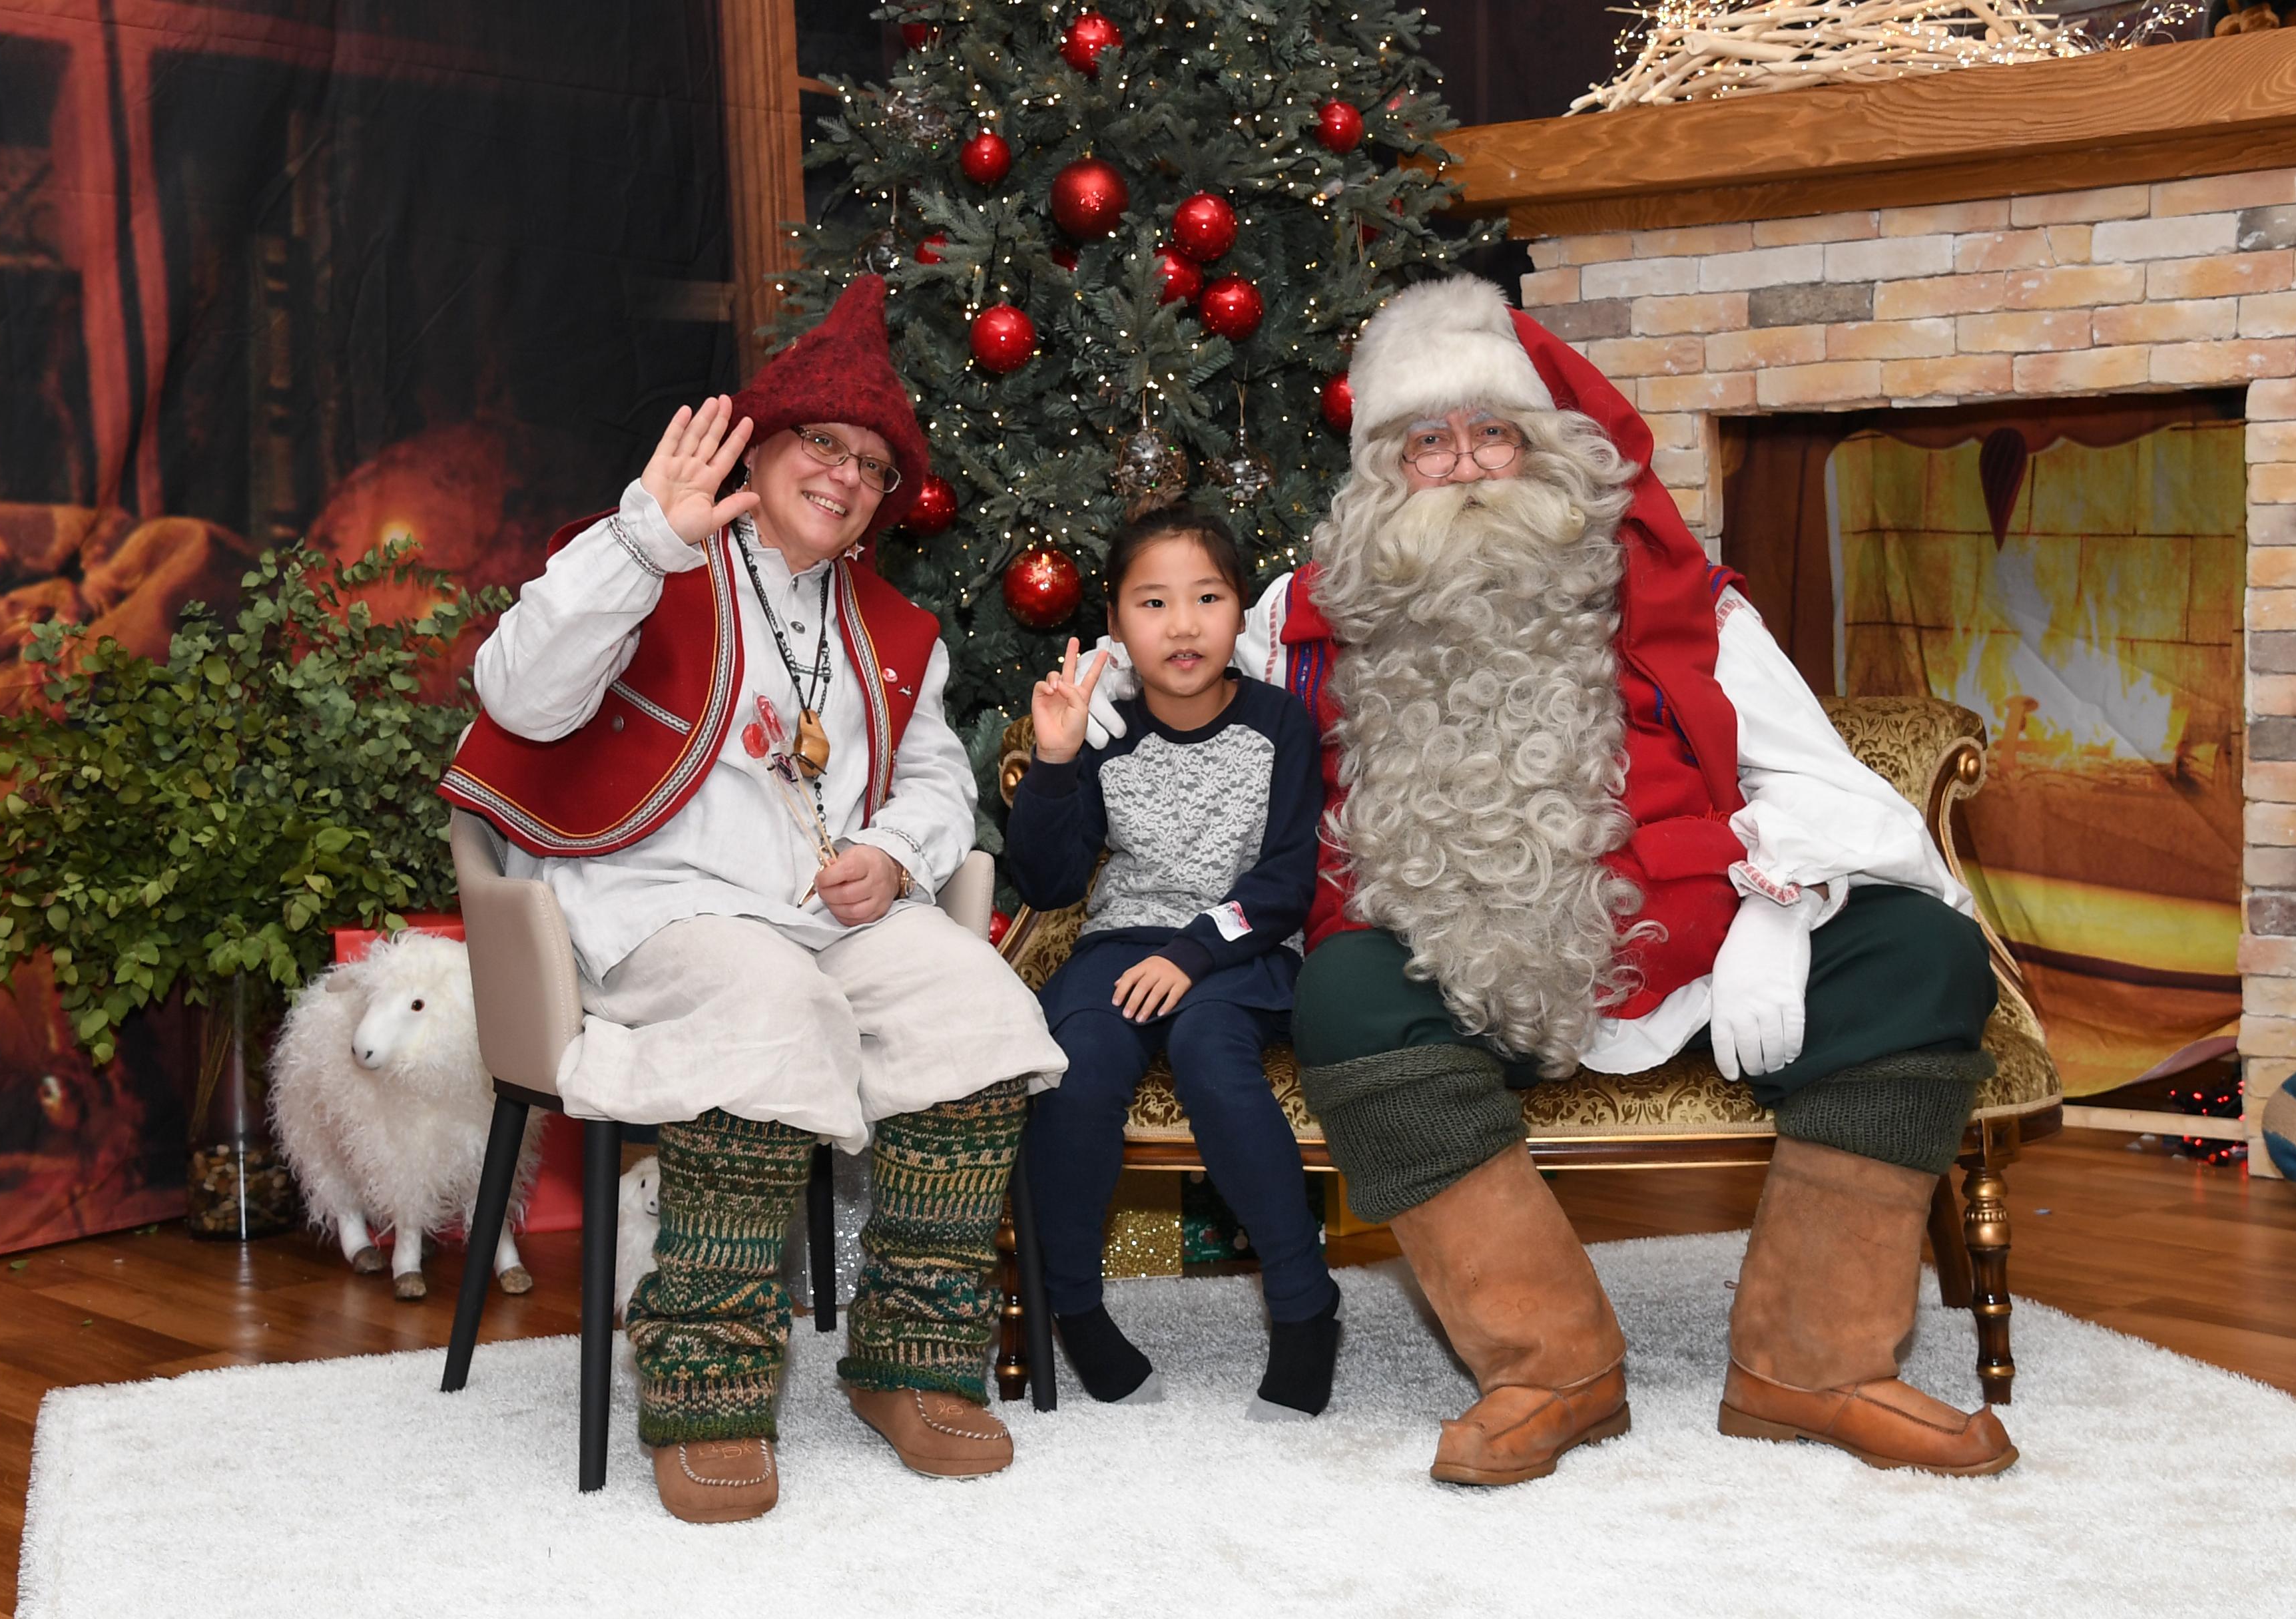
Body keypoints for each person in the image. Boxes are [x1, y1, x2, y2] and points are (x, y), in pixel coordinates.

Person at [1089, 274, 2014, 1485]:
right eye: (1429, 442)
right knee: (1349, 992)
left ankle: (1813, 1364)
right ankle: (1549, 1366)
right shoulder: (1300, 619)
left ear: (1549, 450)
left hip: (1689, 956)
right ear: (1383, 469)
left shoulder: (1682, 605)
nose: (1467, 466)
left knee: (1923, 953)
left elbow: (1819, 777)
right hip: (1449, 971)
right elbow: (1177, 684)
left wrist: (1784, 916)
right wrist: (1095, 713)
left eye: (1495, 433)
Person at [441, 276, 1068, 1523]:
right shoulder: (645, 552)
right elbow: (517, 695)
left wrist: (893, 851)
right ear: (760, 444)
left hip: (828, 916)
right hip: (647, 909)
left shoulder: (896, 631)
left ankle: (910, 1359)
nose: (842, 475)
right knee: (768, 1004)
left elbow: (940, 779)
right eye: (821, 443)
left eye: (872, 466)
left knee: (977, 1008)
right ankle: (709, 1384)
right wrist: (645, 540)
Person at [1004, 508, 1338, 1418]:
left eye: (1206, 598)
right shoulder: (1105, 732)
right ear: (1116, 624)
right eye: (1154, 603)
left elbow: (1284, 880)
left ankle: (1306, 1307)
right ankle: (1072, 1303)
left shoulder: (1280, 725)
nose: (1182, 625)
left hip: (1244, 947)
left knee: (1207, 1046)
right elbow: (1048, 876)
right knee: (1074, 1072)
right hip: (1121, 943)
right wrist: (1059, 758)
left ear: (1240, 616)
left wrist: (1195, 953)